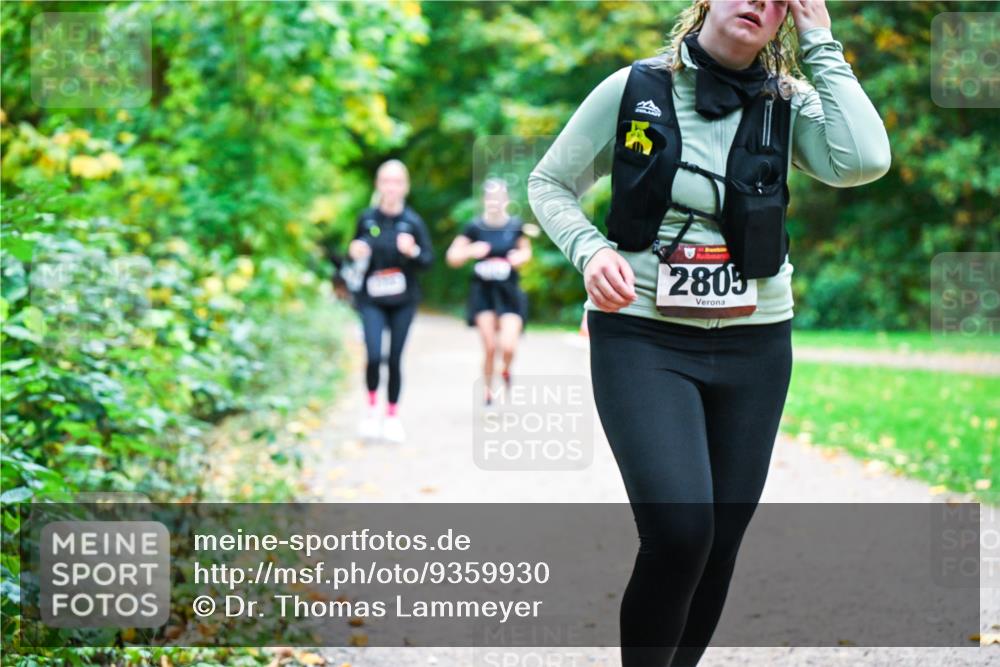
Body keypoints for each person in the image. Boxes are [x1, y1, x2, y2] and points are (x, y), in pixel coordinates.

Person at [527, 1, 890, 665]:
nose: (756, 0)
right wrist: (589, 250)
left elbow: (864, 159)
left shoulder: (791, 104)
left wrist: (822, 42)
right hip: (641, 336)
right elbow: (549, 183)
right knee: (680, 528)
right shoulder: (633, 89)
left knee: (719, 539)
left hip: (757, 345)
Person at [347, 159, 434, 443]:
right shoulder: (366, 218)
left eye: (397, 182)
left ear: (405, 187)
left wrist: (412, 252)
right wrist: (355, 251)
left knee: (395, 358)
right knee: (373, 356)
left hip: (403, 301)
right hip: (371, 299)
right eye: (386, 181)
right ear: (378, 185)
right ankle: (372, 411)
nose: (391, 187)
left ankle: (392, 416)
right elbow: (353, 256)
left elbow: (428, 261)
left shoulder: (413, 221)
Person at [446, 178, 531, 405]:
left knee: (508, 345)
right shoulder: (474, 227)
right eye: (491, 198)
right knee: (490, 346)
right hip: (483, 293)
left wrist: (518, 258)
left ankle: (505, 369)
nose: (495, 202)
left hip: (508, 292)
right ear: (484, 200)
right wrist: (471, 250)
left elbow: (526, 252)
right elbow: (452, 257)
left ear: (506, 200)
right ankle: (487, 390)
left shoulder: (515, 225)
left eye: (499, 197)